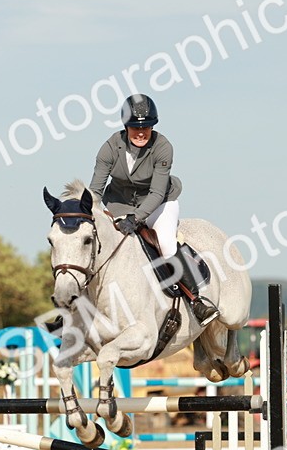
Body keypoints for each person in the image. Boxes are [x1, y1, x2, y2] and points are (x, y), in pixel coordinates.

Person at [89, 94, 218, 326]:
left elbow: (157, 192)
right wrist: (83, 209)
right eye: (136, 127)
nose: (141, 132)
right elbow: (96, 190)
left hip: (160, 203)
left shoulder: (163, 147)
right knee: (100, 245)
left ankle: (196, 300)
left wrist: (136, 219)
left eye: (146, 127)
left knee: (167, 244)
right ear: (126, 126)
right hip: (120, 203)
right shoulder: (109, 147)